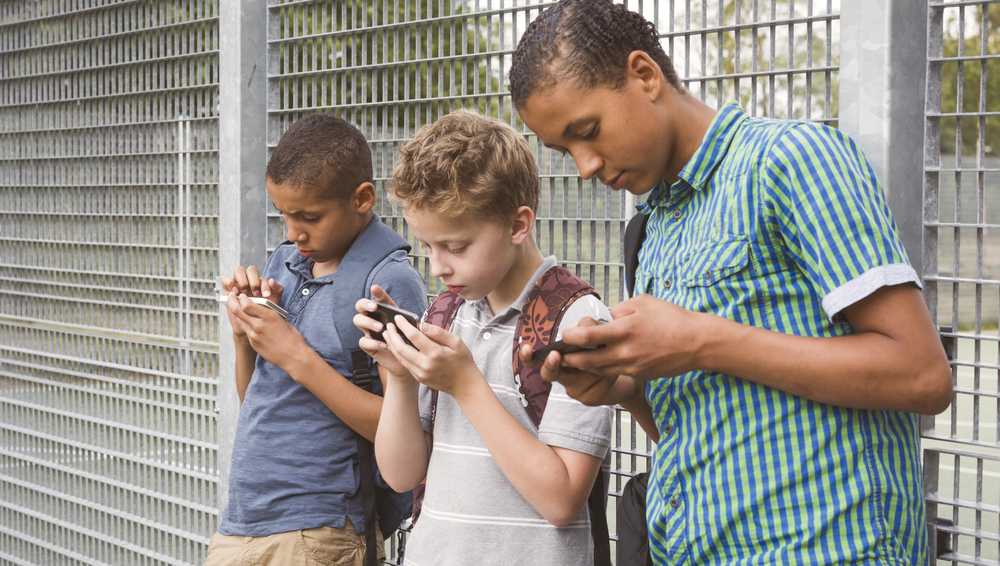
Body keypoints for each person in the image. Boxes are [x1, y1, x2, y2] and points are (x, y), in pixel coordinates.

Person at [507, 1, 953, 565]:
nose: (584, 166)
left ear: (644, 76)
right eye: (563, 150)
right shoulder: (655, 229)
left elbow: (921, 374)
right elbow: (700, 429)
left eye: (587, 131)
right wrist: (623, 388)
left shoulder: (793, 161)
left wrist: (701, 340)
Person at [352, 109, 630, 566]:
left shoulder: (576, 319)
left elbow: (561, 500)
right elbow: (402, 476)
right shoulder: (445, 314)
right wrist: (399, 377)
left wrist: (466, 385)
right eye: (427, 246)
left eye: (456, 247)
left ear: (519, 225)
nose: (438, 266)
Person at [205, 114, 427, 566]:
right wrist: (245, 336)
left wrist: (297, 356)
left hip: (322, 529)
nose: (293, 233)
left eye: (309, 216)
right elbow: (259, 398)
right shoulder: (285, 262)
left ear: (362, 198)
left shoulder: (388, 282)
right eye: (284, 215)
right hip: (241, 521)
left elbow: (406, 428)